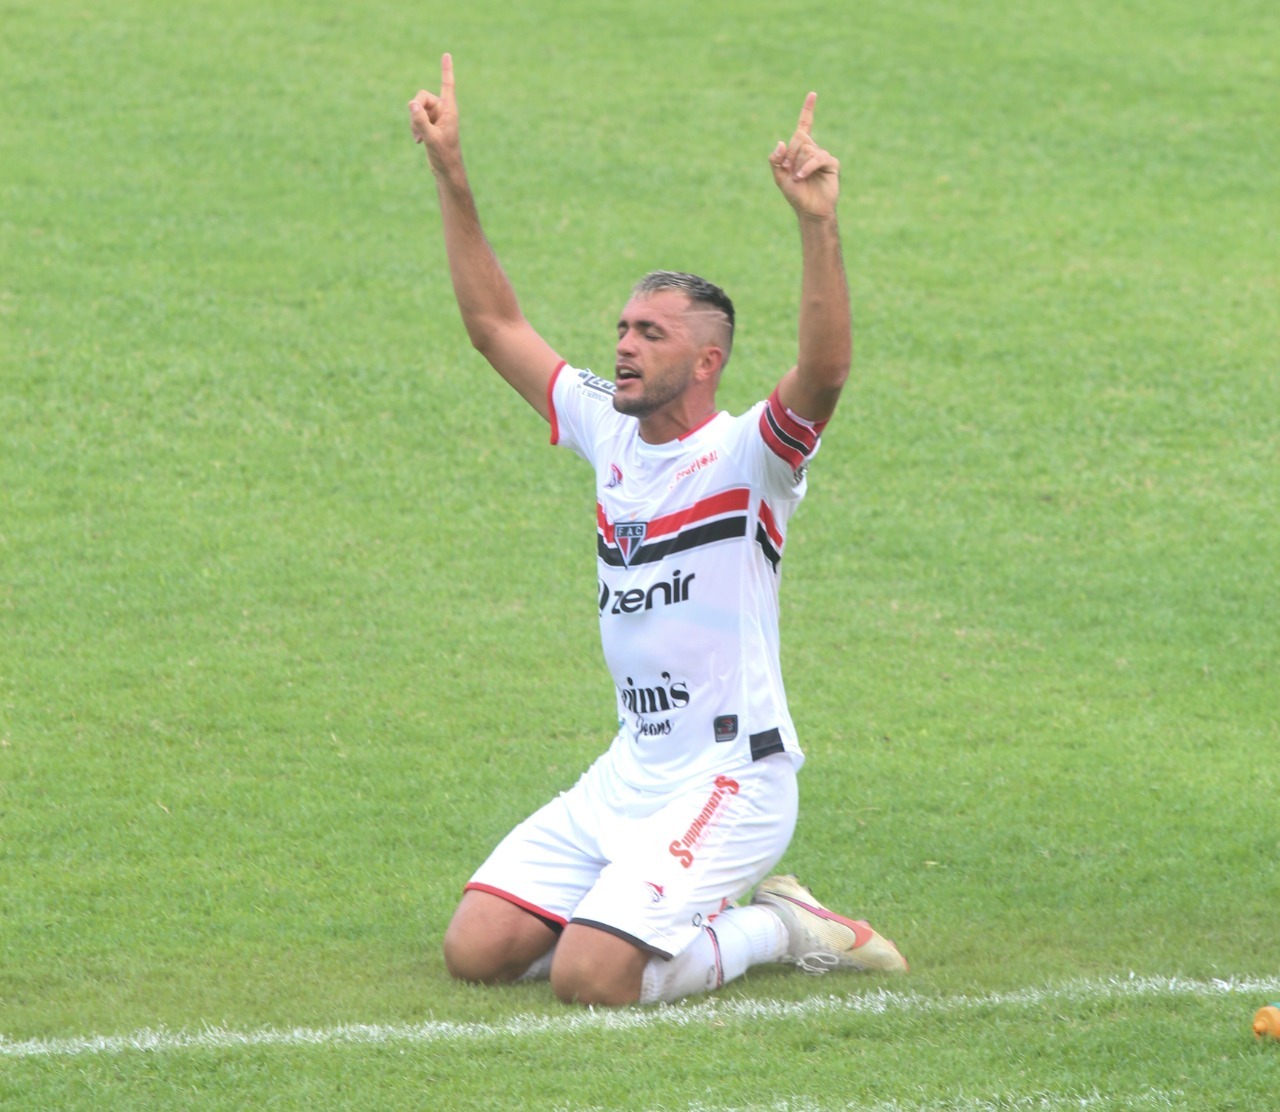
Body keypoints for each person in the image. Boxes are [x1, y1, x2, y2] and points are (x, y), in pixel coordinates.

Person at [408, 53, 907, 1007]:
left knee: (592, 982)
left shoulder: (752, 457)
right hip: (630, 773)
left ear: (708, 359)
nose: (624, 346)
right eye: (624, 329)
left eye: (651, 334)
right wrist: (451, 172)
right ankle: (636, 908)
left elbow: (827, 371)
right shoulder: (608, 426)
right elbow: (493, 324)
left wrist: (819, 224)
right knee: (476, 950)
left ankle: (785, 926)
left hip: (731, 780)